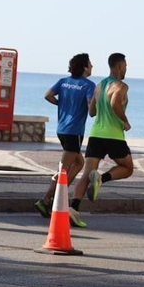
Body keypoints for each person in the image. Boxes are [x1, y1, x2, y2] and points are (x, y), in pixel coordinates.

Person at [37, 52, 96, 227]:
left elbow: (48, 95)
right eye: (90, 64)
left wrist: (62, 104)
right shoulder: (88, 85)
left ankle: (57, 195)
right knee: (63, 169)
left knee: (78, 163)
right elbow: (89, 105)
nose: (92, 66)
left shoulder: (63, 82)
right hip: (74, 131)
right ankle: (46, 200)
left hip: (61, 129)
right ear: (85, 67)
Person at [74, 52, 132, 211]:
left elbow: (91, 111)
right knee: (127, 168)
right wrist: (125, 121)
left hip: (96, 135)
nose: (126, 68)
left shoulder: (99, 85)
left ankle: (73, 208)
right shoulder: (121, 86)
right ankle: (101, 178)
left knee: (86, 174)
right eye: (125, 65)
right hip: (114, 136)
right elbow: (114, 103)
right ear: (120, 66)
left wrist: (101, 109)